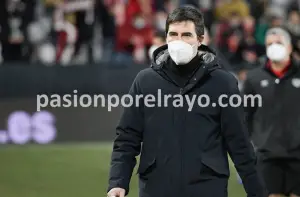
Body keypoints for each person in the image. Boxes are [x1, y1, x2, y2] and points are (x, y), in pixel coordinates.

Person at [107, 6, 264, 197]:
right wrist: (117, 182)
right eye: (173, 34)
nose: (178, 41)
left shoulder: (223, 83)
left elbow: (239, 142)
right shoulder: (145, 81)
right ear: (165, 38)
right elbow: (127, 137)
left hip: (207, 188)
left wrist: (257, 192)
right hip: (156, 188)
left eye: (186, 35)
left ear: (200, 39)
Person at [243, 27, 300, 197]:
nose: (274, 46)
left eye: (279, 43)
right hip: (267, 154)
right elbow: (246, 114)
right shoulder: (254, 78)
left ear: (289, 47)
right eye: (270, 44)